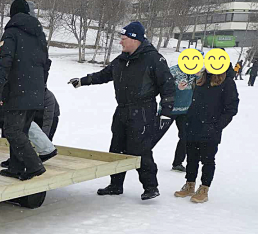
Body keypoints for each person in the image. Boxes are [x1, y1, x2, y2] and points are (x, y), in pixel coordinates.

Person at [69, 21, 175, 200]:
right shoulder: (121, 60)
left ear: (135, 40)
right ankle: (115, 184)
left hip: (143, 111)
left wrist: (166, 111)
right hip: (122, 110)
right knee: (116, 148)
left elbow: (168, 86)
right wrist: (83, 81)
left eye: (124, 39)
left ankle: (150, 186)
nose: (121, 42)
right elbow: (104, 75)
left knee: (139, 149)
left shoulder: (154, 59)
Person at [0, 0, 50, 181]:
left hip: (18, 89)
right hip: (35, 90)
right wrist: (40, 86)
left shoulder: (12, 33)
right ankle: (15, 166)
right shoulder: (38, 35)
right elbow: (45, 63)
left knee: (12, 130)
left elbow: (5, 62)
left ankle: (34, 165)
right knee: (21, 130)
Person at [174, 68, 239, 203]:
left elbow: (231, 108)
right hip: (193, 125)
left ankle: (204, 189)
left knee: (207, 160)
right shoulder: (199, 79)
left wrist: (217, 126)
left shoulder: (227, 83)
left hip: (211, 129)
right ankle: (189, 184)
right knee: (191, 157)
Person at [159, 64, 198, 172]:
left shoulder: (197, 72)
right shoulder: (174, 70)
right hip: (169, 109)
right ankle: (139, 156)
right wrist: (177, 87)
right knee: (155, 134)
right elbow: (163, 87)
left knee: (185, 137)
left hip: (185, 110)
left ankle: (178, 163)